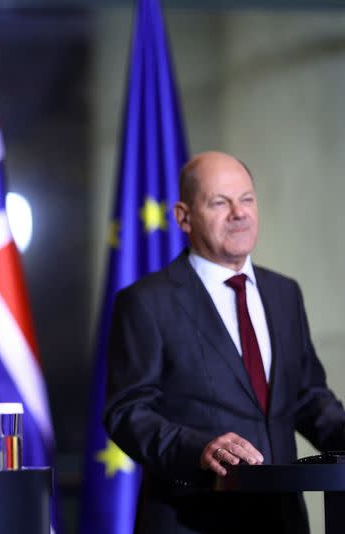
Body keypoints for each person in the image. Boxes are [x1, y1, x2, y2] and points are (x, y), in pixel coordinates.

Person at [104, 150, 345, 534]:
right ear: (184, 217)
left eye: (247, 199)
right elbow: (128, 412)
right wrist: (198, 449)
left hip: (282, 520)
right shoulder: (147, 302)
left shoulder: (284, 293)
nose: (239, 212)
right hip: (193, 520)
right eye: (220, 202)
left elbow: (308, 397)